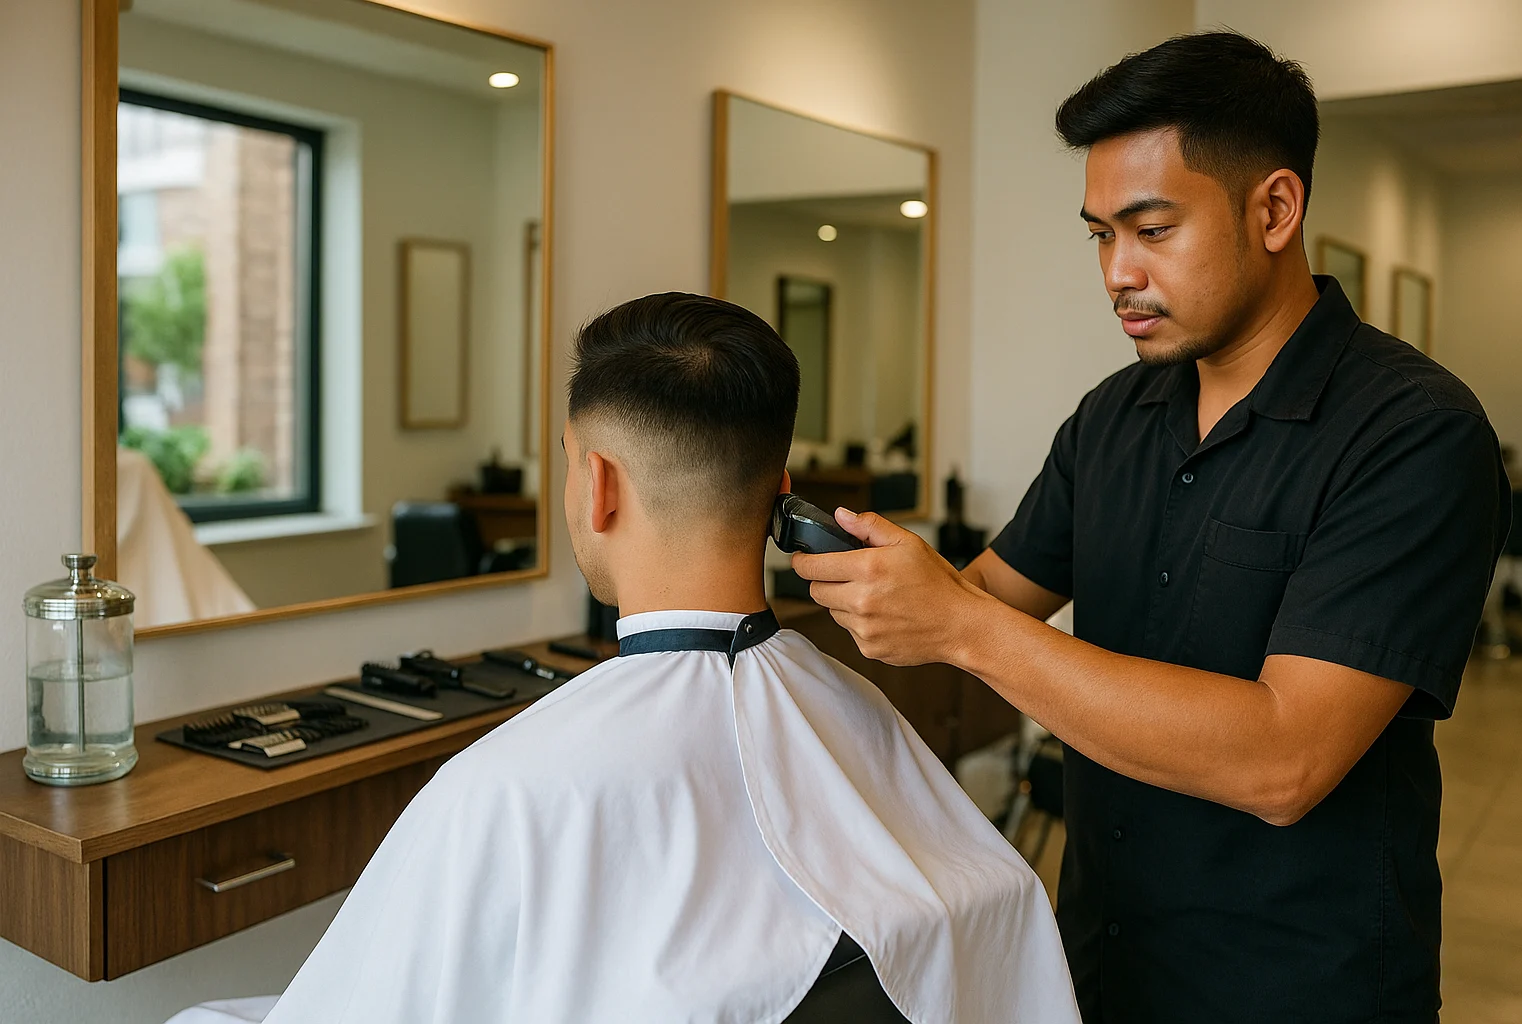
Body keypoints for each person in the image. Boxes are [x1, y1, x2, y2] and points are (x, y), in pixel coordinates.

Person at [793, 33, 1512, 1024]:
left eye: (1152, 229)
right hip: (1104, 957)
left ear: (1274, 208)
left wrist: (961, 626)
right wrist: (803, 558)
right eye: (1100, 234)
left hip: (1299, 987)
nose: (1116, 273)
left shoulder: (1412, 434)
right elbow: (981, 599)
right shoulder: (1112, 418)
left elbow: (1284, 759)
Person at [171, 293, 1079, 1024]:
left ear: (597, 485)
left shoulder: (501, 788)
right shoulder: (854, 709)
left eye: (572, 464)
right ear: (783, 495)